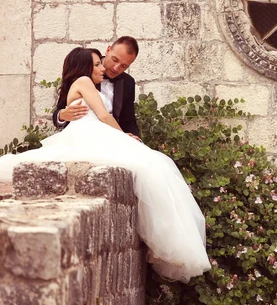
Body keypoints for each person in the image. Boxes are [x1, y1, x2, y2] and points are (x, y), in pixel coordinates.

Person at [0, 48, 210, 282]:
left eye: (122, 65)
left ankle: (167, 241)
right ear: (101, 58)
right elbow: (101, 115)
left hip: (96, 131)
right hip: (90, 132)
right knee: (152, 164)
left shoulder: (124, 83)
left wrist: (131, 136)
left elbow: (127, 116)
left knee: (154, 164)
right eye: (100, 64)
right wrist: (121, 136)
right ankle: (169, 242)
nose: (106, 68)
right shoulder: (83, 79)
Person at [53, 36, 140, 141]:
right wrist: (62, 115)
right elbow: (61, 109)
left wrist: (136, 142)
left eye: (124, 66)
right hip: (83, 139)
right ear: (108, 50)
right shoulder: (85, 72)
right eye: (115, 60)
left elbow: (128, 120)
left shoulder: (128, 82)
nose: (116, 68)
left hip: (112, 139)